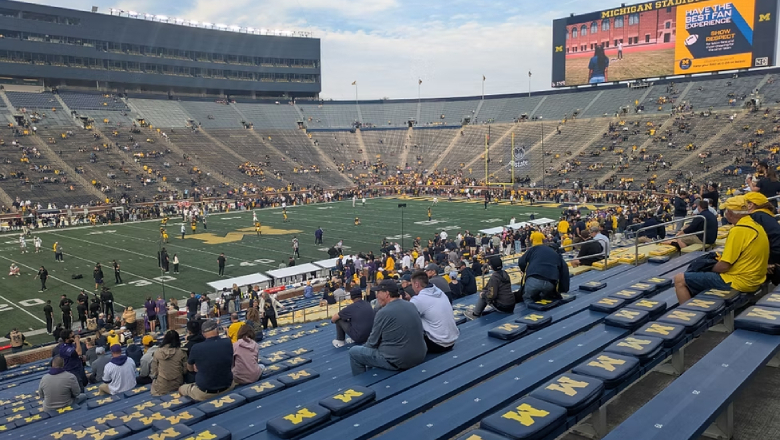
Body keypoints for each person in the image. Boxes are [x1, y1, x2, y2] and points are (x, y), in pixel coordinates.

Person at [674, 196, 770, 303]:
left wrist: (707, 269)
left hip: (740, 282)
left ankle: (687, 312)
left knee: (679, 279)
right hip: (755, 279)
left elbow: (724, 266)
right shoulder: (756, 226)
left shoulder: (739, 231)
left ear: (730, 213)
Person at [348, 280, 426, 375]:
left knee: (354, 352)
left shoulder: (383, 313)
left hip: (399, 361)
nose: (377, 296)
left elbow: (372, 343)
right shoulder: (411, 305)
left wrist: (364, 351)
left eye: (378, 292)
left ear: (387, 294)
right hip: (420, 355)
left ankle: (362, 382)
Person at [179, 319, 235, 401]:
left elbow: (190, 368)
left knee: (181, 389)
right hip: (228, 386)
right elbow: (231, 362)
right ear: (217, 330)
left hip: (205, 392)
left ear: (203, 333)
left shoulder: (196, 348)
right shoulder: (227, 342)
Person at [409, 271, 459, 353]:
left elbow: (406, 319)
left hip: (437, 344)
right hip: (452, 340)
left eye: (412, 284)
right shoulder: (439, 291)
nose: (412, 287)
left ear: (417, 284)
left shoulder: (418, 300)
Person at [150, 330, 187, 396]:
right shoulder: (181, 352)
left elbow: (154, 372)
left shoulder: (157, 352)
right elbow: (185, 370)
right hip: (178, 384)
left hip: (162, 386)